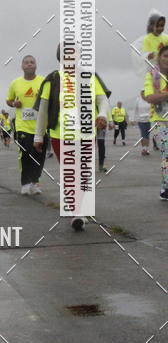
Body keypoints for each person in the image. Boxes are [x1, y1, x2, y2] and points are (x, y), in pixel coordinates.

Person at [34, 45, 110, 231]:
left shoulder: (89, 76)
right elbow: (43, 110)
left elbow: (102, 100)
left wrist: (102, 115)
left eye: (74, 51)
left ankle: (77, 209)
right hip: (60, 135)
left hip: (86, 133)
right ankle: (78, 212)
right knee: (70, 172)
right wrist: (38, 135)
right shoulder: (52, 79)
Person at [6, 55, 45, 195]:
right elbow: (8, 100)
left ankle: (34, 183)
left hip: (41, 126)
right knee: (26, 154)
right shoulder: (15, 83)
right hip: (23, 126)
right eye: (26, 62)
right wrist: (14, 103)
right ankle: (25, 183)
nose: (29, 64)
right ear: (22, 66)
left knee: (39, 157)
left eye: (32, 62)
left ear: (36, 65)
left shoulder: (43, 82)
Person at [143, 44, 168, 199]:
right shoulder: (152, 75)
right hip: (160, 121)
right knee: (167, 152)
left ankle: (164, 188)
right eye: (165, 56)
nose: (167, 59)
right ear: (159, 57)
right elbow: (149, 97)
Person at [134, 91, 151, 156]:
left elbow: (152, 109)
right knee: (143, 134)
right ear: (140, 93)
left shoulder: (149, 99)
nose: (143, 94)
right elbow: (135, 110)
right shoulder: (138, 100)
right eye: (142, 93)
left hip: (148, 120)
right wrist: (133, 119)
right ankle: (143, 149)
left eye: (144, 92)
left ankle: (147, 149)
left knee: (147, 135)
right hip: (141, 120)